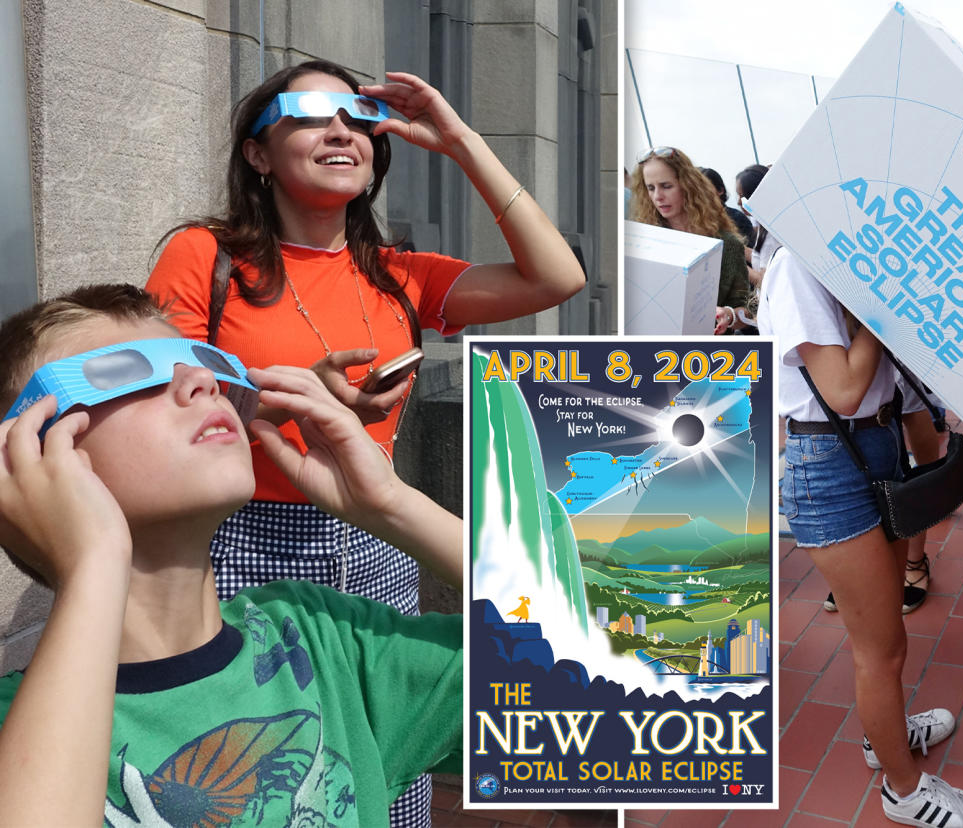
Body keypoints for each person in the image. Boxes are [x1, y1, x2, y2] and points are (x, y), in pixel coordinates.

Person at [145, 60, 581, 827]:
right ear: (258, 152)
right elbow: (160, 403)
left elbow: (557, 276)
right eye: (311, 113)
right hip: (242, 539)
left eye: (356, 117)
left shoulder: (397, 276)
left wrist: (460, 140)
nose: (341, 129)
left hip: (375, 536)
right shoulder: (204, 257)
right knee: (272, 768)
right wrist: (285, 399)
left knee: (386, 753)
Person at [0, 284, 463, 824]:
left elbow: (580, 646)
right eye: (125, 373)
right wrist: (92, 562)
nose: (203, 381)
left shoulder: (326, 642)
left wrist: (393, 506)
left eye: (201, 362)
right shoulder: (19, 726)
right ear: (27, 458)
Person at [759, 249, 963, 828]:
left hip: (876, 445)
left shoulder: (853, 262)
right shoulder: (798, 265)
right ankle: (904, 791)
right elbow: (841, 390)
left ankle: (882, 736)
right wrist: (881, 311)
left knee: (889, 632)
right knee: (879, 648)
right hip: (828, 462)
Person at [629, 146, 750, 335]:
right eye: (650, 188)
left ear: (688, 185)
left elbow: (747, 310)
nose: (657, 196)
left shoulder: (727, 245)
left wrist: (729, 315)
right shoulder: (640, 243)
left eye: (666, 186)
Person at [700, 165, 753, 241]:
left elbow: (752, 251)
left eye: (705, 189)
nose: (700, 195)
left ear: (720, 190)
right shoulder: (695, 223)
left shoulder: (737, 218)